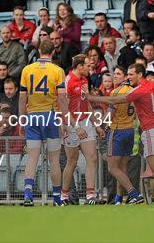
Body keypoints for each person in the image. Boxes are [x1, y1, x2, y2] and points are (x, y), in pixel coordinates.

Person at [85, 63, 154, 204]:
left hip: (151, 132)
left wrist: (90, 98)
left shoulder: (140, 90)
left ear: (140, 74)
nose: (128, 77)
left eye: (131, 74)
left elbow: (113, 100)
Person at [19, 39, 67, 206]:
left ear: (39, 50)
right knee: (54, 159)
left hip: (32, 116)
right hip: (50, 116)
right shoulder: (57, 70)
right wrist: (65, 121)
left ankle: (28, 194)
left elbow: (22, 97)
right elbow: (61, 97)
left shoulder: (27, 70)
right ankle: (56, 197)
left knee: (32, 157)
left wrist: (21, 119)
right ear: (53, 52)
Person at [61, 54, 106, 205]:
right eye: (87, 65)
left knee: (92, 157)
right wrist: (75, 127)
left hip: (85, 121)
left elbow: (87, 104)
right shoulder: (67, 82)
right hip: (71, 124)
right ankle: (64, 195)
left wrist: (97, 124)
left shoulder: (84, 80)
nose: (90, 68)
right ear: (79, 66)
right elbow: (63, 109)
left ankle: (90, 195)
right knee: (72, 161)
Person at [104, 66, 144, 205]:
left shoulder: (116, 92)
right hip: (130, 130)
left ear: (125, 77)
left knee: (112, 168)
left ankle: (134, 193)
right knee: (122, 168)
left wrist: (103, 126)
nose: (115, 76)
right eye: (114, 73)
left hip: (117, 130)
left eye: (118, 74)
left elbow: (110, 114)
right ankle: (119, 199)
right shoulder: (135, 91)